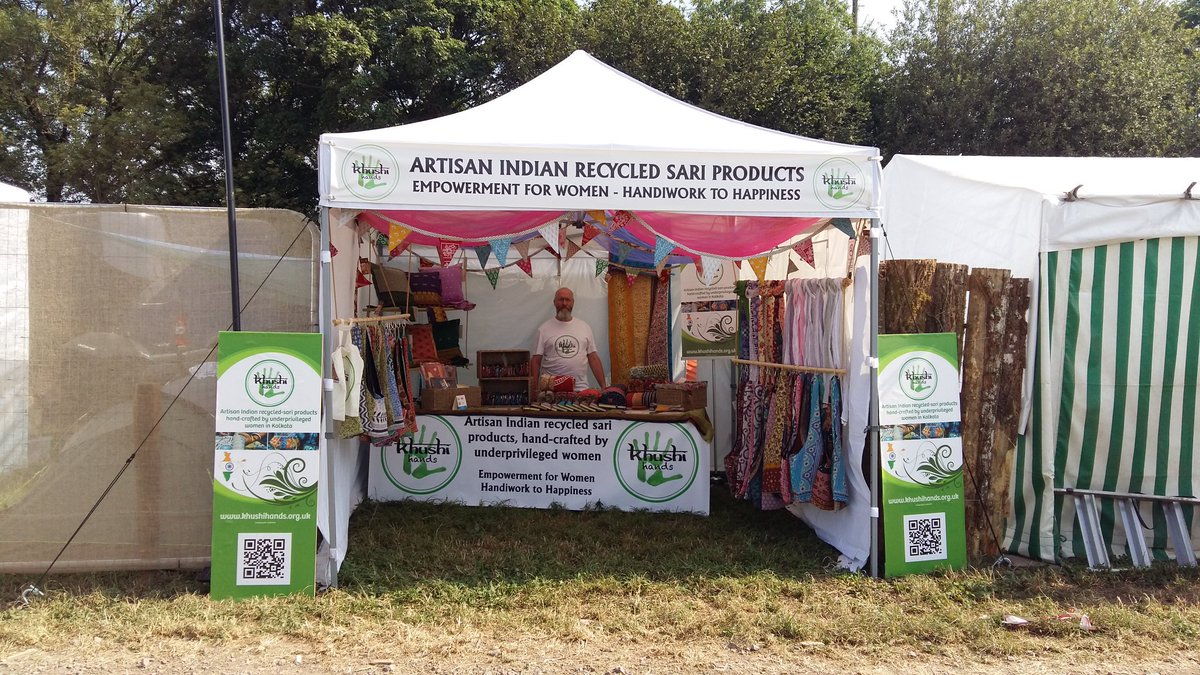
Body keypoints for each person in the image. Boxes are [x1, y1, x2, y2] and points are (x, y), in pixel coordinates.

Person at [530, 287, 606, 392]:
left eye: (567, 300)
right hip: (551, 391)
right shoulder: (543, 329)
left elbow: (593, 358)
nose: (564, 303)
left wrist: (603, 386)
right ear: (554, 302)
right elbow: (536, 361)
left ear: (573, 302)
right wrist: (533, 390)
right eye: (561, 299)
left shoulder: (584, 327)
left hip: (580, 390)